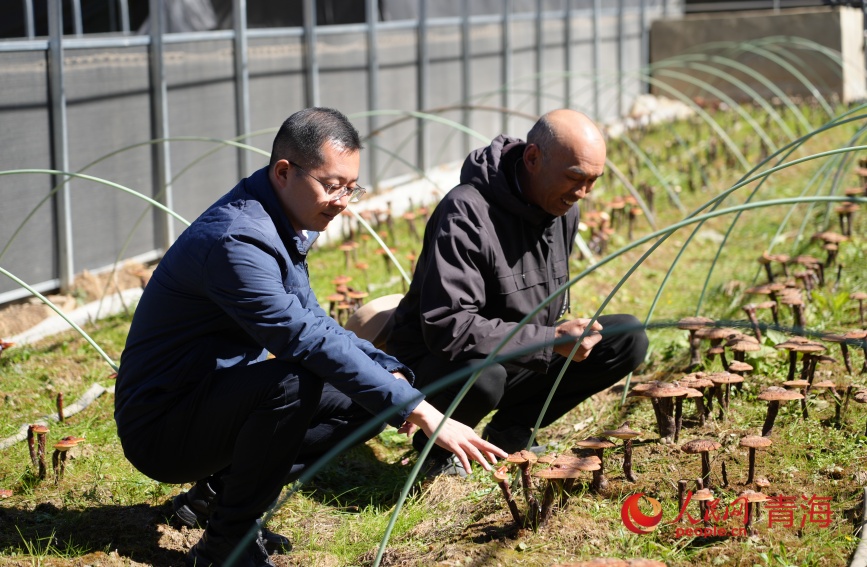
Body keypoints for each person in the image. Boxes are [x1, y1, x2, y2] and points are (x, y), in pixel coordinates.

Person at [114, 107, 506, 567]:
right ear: (284, 171)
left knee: (365, 398)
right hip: (163, 425)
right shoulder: (238, 242)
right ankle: (227, 546)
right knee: (293, 384)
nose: (343, 200)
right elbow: (303, 339)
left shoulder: (278, 223)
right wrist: (420, 409)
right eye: (332, 185)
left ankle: (214, 499)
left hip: (209, 400)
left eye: (351, 188)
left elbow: (315, 322)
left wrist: (394, 380)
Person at [387, 109, 649, 477]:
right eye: (575, 178)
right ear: (532, 159)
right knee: (485, 375)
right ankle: (436, 447)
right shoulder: (465, 212)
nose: (582, 194)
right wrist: (547, 339)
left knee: (626, 338)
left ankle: (511, 428)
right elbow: (448, 327)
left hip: (518, 353)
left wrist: (561, 337)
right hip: (445, 363)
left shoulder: (562, 210)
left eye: (593, 181)